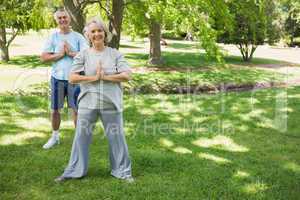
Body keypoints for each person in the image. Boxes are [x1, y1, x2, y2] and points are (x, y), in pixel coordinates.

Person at [54, 18, 133, 183]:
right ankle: (74, 171)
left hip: (111, 103)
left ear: (105, 33)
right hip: (87, 103)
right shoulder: (83, 54)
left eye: (100, 30)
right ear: (88, 35)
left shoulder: (115, 54)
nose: (97, 34)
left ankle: (123, 172)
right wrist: (93, 77)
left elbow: (127, 75)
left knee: (117, 139)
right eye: (93, 31)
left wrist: (106, 77)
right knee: (81, 138)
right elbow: (72, 77)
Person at [41, 8, 88, 149]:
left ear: (69, 18)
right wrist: (60, 55)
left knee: (76, 110)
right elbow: (43, 57)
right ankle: (55, 137)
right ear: (56, 20)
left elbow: (87, 55)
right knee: (55, 109)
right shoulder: (53, 37)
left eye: (65, 17)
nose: (62, 20)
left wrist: (72, 53)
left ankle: (78, 140)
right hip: (57, 79)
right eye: (59, 18)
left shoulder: (79, 37)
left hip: (75, 79)